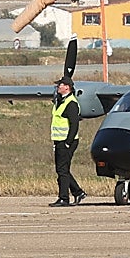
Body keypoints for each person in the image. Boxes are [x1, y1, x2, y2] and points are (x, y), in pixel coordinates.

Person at [49, 76, 87, 207]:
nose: (58, 87)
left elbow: (74, 124)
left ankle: (64, 198)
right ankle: (78, 192)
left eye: (60, 85)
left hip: (66, 141)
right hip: (59, 140)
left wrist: (67, 142)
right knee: (62, 169)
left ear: (67, 87)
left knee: (62, 170)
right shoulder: (60, 101)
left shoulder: (71, 103)